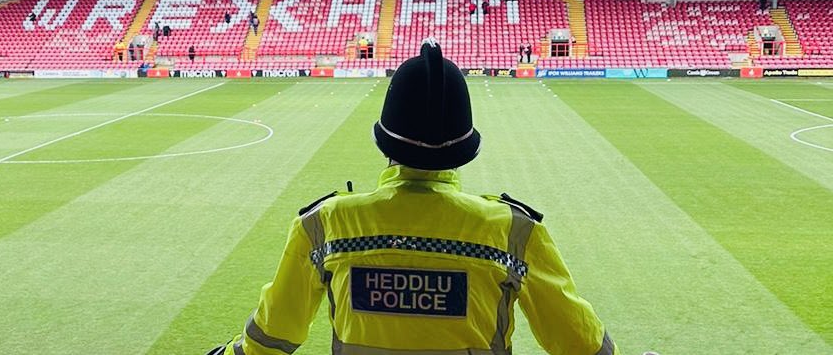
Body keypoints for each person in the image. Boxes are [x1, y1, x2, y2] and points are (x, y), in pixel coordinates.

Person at [207, 42, 622, 355]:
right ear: (465, 151)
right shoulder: (514, 232)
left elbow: (271, 337)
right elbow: (580, 345)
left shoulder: (325, 224)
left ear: (383, 142)